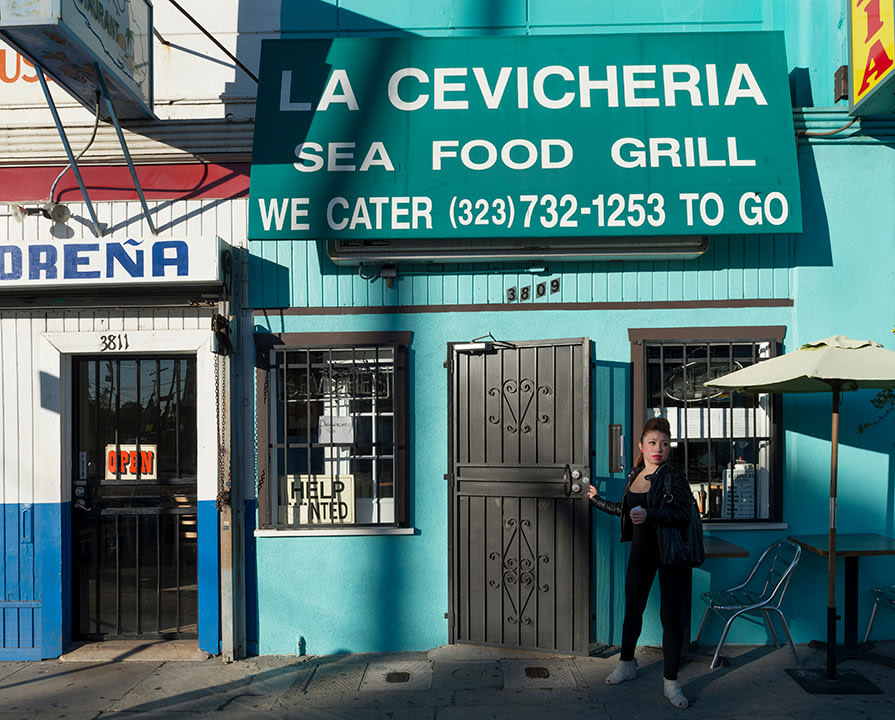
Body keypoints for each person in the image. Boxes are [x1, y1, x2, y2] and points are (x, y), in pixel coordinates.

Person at [588, 416, 692, 709]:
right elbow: (626, 510)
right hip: (641, 552)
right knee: (632, 610)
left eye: (664, 443)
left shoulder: (674, 477)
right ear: (641, 446)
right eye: (652, 443)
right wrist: (596, 500)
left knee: (670, 619)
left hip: (670, 555)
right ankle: (626, 665)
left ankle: (671, 683)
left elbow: (684, 516)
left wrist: (652, 515)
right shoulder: (634, 473)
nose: (658, 448)